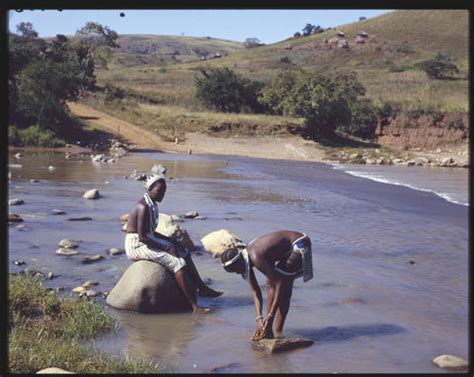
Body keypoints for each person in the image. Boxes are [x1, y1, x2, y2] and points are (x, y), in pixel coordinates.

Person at [125, 173, 222, 314]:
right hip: (136, 245)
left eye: (164, 191)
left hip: (147, 238)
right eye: (159, 191)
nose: (162, 194)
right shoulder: (143, 207)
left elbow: (150, 232)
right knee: (177, 263)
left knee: (183, 251)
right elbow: (142, 237)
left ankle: (202, 288)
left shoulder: (152, 204)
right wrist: (166, 247)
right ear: (149, 189)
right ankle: (194, 306)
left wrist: (170, 241)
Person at [221, 230, 313, 340]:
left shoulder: (255, 257)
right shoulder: (244, 260)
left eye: (236, 270)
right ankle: (268, 329)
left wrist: (270, 316)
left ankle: (277, 331)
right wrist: (259, 319)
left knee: (284, 284)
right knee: (270, 282)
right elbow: (255, 291)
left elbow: (279, 284)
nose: (238, 273)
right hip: (288, 247)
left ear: (240, 262)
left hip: (300, 243)